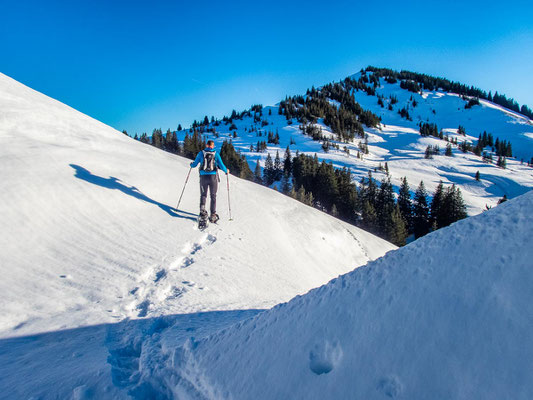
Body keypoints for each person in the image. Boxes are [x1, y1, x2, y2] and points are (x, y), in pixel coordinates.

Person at [190, 140, 229, 223]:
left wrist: (191, 164)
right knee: (213, 196)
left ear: (206, 145)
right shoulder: (216, 154)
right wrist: (226, 171)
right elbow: (221, 165)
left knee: (203, 195)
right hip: (213, 177)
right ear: (213, 146)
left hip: (203, 177)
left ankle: (202, 212)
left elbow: (195, 164)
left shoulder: (201, 153)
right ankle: (213, 215)